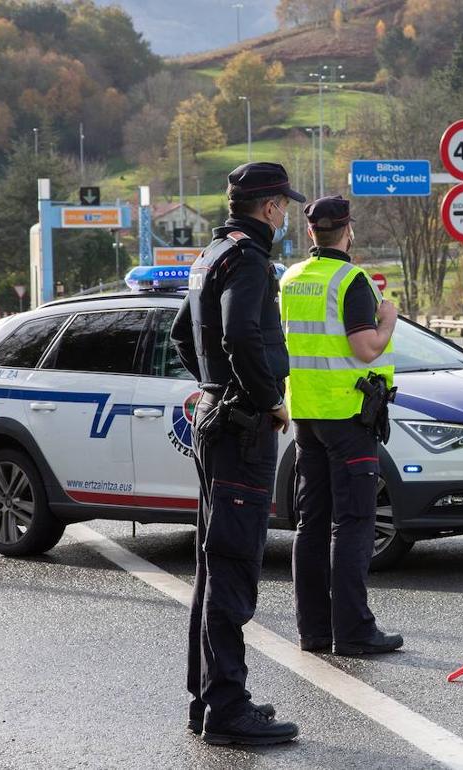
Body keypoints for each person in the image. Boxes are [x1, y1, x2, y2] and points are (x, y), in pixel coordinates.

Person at [170, 161, 301, 746]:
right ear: (270, 206)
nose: (287, 214)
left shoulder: (211, 255)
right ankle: (227, 707)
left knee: (212, 562)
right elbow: (242, 333)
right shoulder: (248, 260)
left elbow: (181, 335)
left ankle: (209, 699)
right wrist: (267, 398)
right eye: (284, 205)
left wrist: (215, 385)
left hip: (217, 421)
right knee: (233, 567)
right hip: (243, 431)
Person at [280, 195, 404, 656]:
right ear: (348, 230)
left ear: (311, 232)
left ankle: (314, 631)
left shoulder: (291, 278)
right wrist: (388, 320)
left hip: (307, 416)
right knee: (353, 523)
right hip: (349, 417)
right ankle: (353, 631)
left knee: (311, 525)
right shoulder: (351, 280)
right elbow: (366, 348)